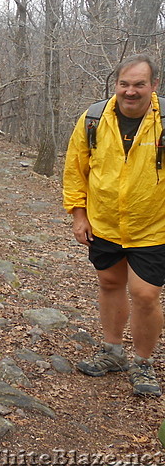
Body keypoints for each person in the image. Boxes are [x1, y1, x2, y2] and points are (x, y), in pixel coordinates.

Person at [63, 53, 165, 397]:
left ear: (154, 85)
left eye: (139, 84)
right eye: (124, 84)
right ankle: (113, 351)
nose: (131, 91)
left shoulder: (164, 120)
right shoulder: (93, 119)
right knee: (109, 283)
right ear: (116, 85)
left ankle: (143, 361)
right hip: (104, 220)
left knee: (146, 294)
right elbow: (75, 169)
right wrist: (79, 215)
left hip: (153, 225)